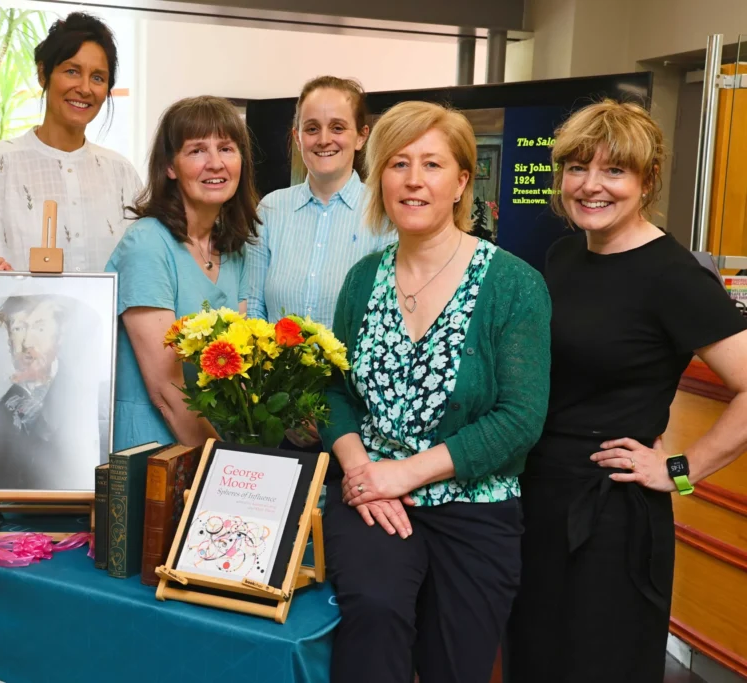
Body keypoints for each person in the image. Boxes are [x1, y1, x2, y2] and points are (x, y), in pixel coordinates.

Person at [504, 100, 747, 683]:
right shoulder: (563, 257)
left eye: (614, 171)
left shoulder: (675, 276)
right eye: (578, 167)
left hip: (611, 511)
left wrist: (679, 469)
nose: (591, 186)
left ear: (647, 181)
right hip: (539, 495)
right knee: (533, 659)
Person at [318, 100, 551, 683]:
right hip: (371, 497)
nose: (414, 180)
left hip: (476, 503)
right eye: (398, 164)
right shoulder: (362, 278)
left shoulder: (514, 284)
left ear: (462, 181)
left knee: (457, 659)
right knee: (373, 617)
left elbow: (520, 418)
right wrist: (364, 474)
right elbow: (335, 392)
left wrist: (408, 473)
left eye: (432, 164)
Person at [0, 12, 142, 272]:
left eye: (98, 77)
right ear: (43, 74)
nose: (84, 88)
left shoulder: (121, 174)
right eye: (72, 71)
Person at [245, 76, 395, 449]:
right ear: (298, 137)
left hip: (357, 423)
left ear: (361, 136)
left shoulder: (385, 214)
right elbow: (253, 312)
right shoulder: (271, 209)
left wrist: (335, 414)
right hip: (276, 418)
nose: (324, 139)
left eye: (337, 127)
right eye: (312, 128)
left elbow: (388, 329)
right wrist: (281, 403)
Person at [105, 96, 260, 451]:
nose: (215, 163)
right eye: (196, 151)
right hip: (153, 449)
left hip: (210, 442)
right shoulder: (146, 245)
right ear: (170, 167)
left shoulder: (234, 248)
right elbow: (166, 390)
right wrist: (224, 469)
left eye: (226, 148)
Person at [0, 293, 104, 491]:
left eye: (40, 328)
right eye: (18, 328)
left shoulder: (90, 398)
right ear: (9, 340)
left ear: (59, 337)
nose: (27, 342)